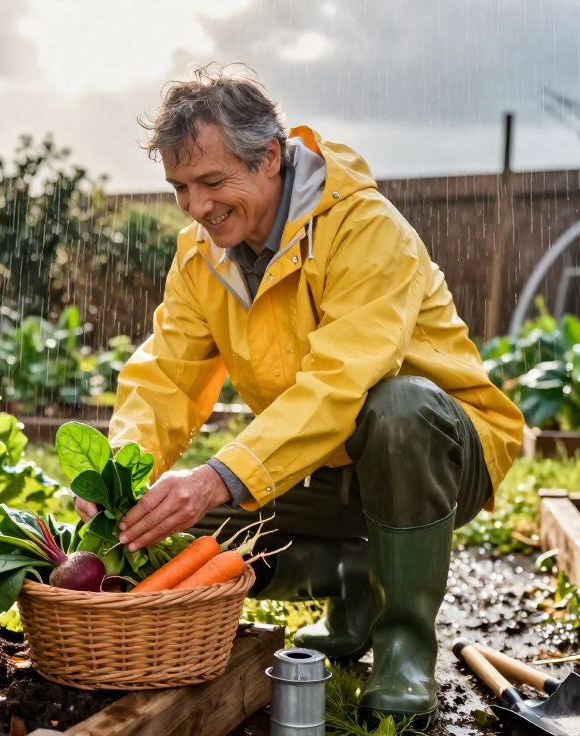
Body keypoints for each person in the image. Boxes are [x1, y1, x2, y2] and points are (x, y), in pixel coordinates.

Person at [73, 66, 524, 727]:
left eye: (212, 183)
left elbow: (342, 383)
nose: (196, 207)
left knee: (398, 409)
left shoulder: (364, 228)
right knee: (156, 524)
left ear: (271, 158)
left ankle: (402, 650)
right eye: (180, 189)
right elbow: (166, 377)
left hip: (439, 456)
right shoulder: (201, 257)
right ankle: (353, 587)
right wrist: (122, 473)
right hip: (320, 467)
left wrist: (220, 477)